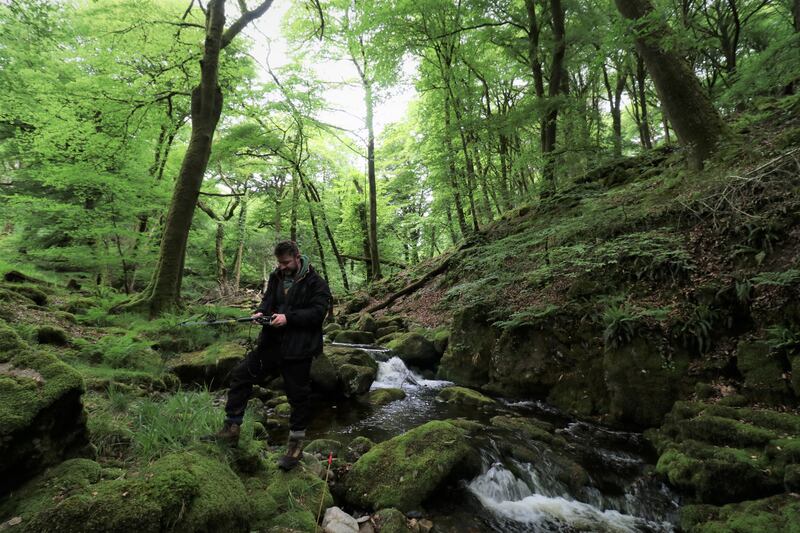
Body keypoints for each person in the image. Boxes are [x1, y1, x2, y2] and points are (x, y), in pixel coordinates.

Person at [211, 240, 331, 471]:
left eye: (286, 262)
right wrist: (261, 312)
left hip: (299, 349)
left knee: (298, 397)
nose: (282, 267)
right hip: (270, 345)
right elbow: (268, 301)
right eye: (279, 263)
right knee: (241, 375)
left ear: (297, 257)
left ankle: (295, 447)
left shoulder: (317, 283)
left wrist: (288, 318)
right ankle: (231, 429)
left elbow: (317, 314)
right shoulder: (276, 277)